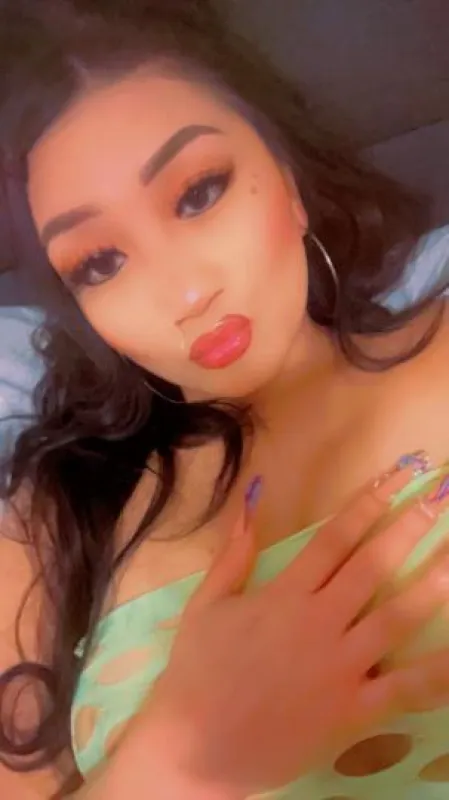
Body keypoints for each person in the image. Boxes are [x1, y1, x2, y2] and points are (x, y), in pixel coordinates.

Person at [1, 1, 449, 797]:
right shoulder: (47, 526)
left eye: (199, 192)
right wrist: (180, 763)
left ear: (288, 181)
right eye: (100, 262)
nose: (185, 293)